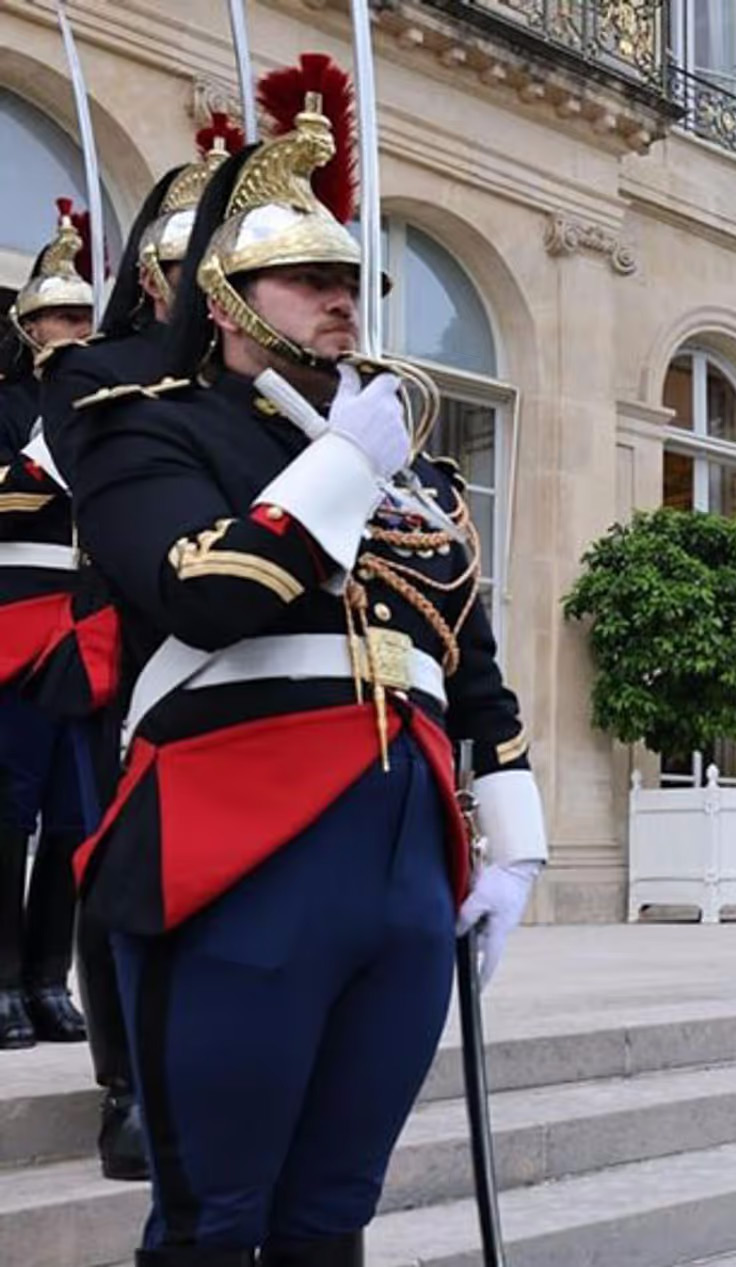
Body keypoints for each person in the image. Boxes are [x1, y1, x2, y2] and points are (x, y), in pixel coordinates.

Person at [68, 65, 547, 1264]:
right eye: (311, 280)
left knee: (335, 1216)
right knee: (214, 1221)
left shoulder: (408, 467)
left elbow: (465, 659)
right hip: (233, 847)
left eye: (353, 282)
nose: (345, 302)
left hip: (399, 867)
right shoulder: (147, 423)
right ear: (227, 298)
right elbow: (206, 594)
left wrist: (517, 841)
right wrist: (341, 467)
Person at [29, 123, 238, 1183]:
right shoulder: (98, 372)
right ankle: (128, 1082)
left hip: (250, 641)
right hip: (135, 637)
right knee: (124, 865)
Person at [0, 201, 98, 1053]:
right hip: (13, 620)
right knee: (6, 811)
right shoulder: (9, 408)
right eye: (57, 315)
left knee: (74, 814)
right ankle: (1, 978)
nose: (71, 328)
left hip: (87, 627)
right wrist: (44, 459)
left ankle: (46, 975)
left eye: (82, 315)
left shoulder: (111, 406)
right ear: (27, 325)